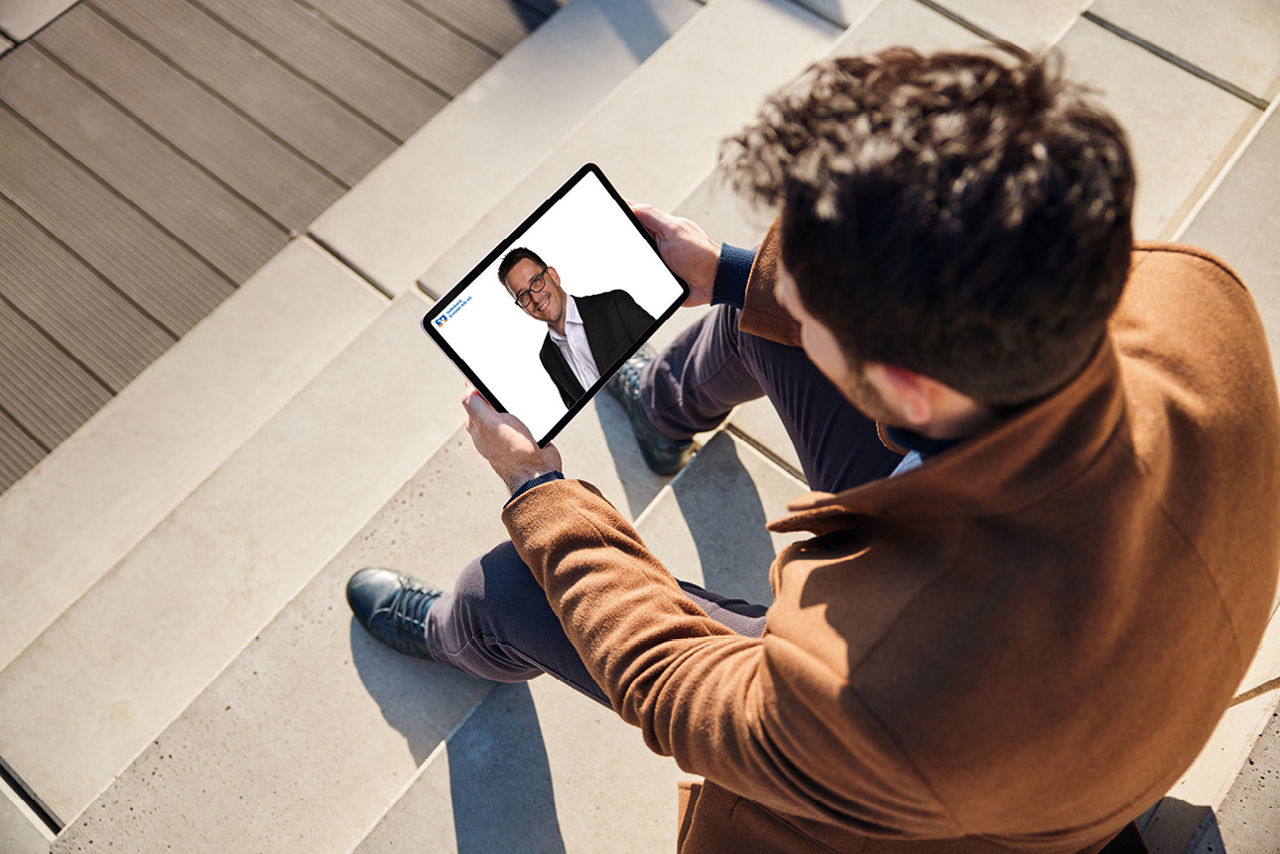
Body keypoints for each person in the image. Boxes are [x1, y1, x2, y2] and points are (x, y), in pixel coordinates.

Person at [346, 48, 1280, 853]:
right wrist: (737, 276)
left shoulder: (879, 680)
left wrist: (541, 488)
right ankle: (668, 410)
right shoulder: (1199, 302)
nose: (791, 286)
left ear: (908, 389)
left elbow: (679, 691)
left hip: (951, 762)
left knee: (524, 579)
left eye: (823, 304)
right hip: (1105, 621)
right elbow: (795, 312)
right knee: (757, 321)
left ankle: (464, 633)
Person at [499, 246, 656, 408]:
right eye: (523, 296)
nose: (536, 298)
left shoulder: (614, 305)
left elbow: (665, 349)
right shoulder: (548, 357)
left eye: (536, 281)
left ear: (553, 275)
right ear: (522, 307)